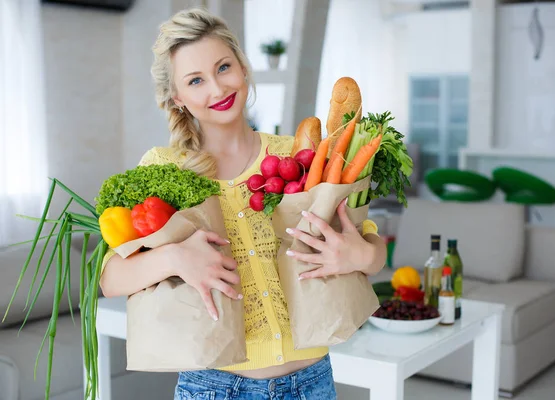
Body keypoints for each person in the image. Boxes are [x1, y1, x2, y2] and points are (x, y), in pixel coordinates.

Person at [99, 7, 387, 400]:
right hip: (215, 387)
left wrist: (356, 254)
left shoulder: (298, 155)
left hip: (312, 382)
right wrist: (174, 258)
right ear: (178, 98)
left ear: (243, 68)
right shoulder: (163, 169)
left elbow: (375, 252)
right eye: (196, 80)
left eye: (223, 68)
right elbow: (110, 278)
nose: (217, 89)